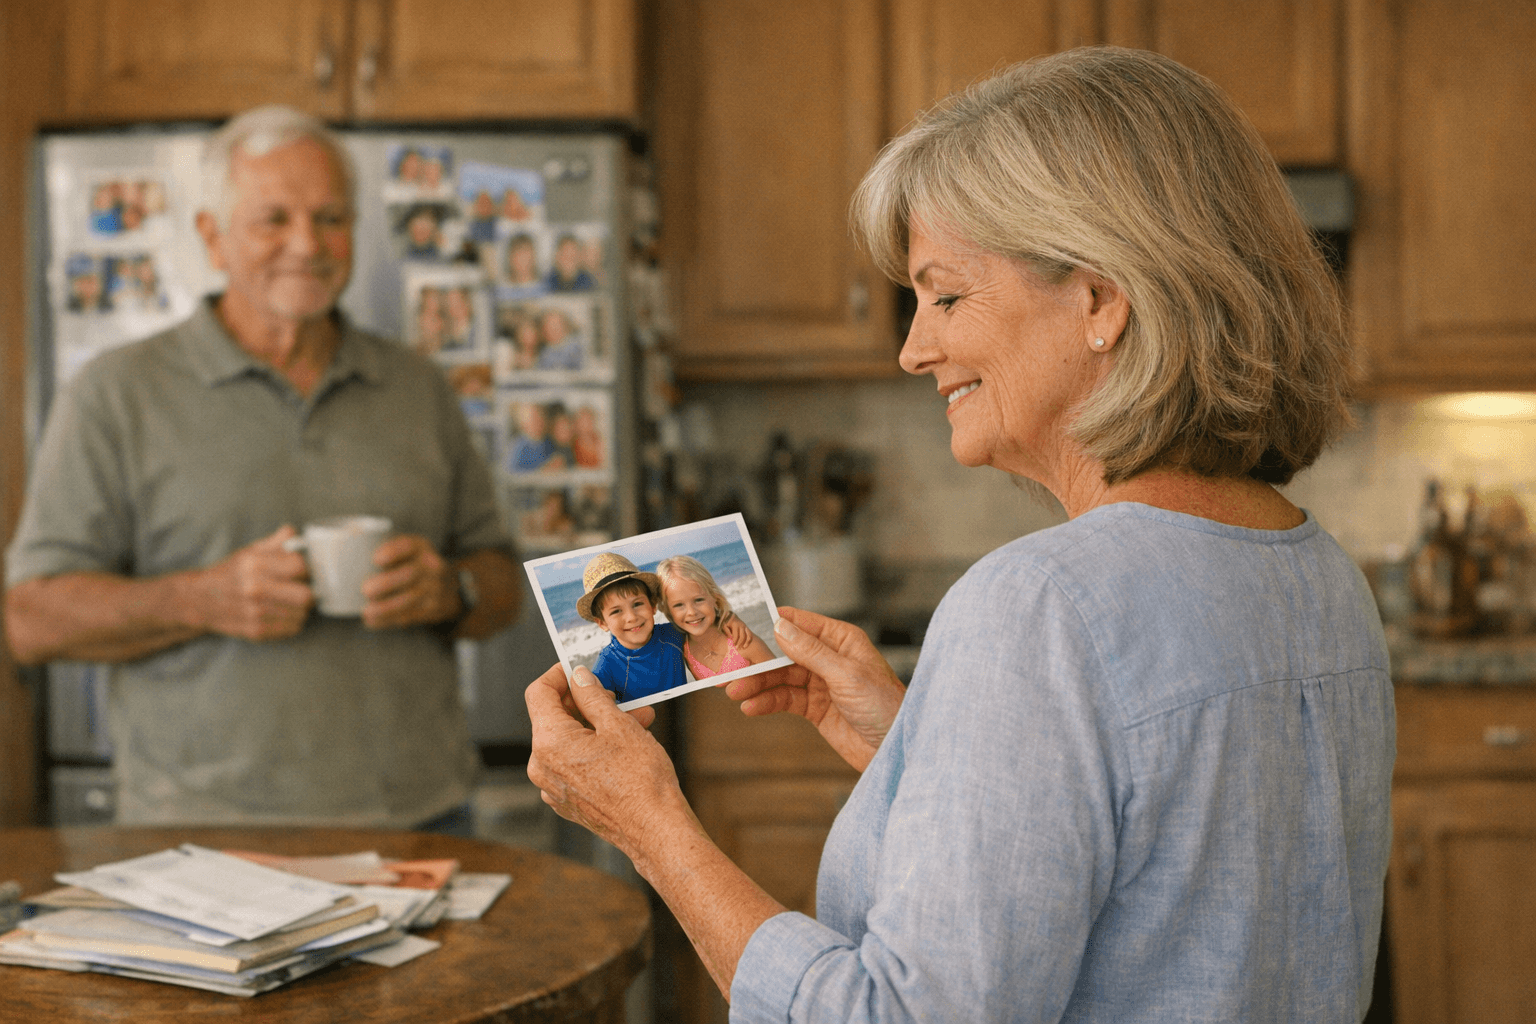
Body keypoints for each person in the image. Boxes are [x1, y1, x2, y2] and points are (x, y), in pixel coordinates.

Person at [524, 47, 1393, 1022]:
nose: (912, 346)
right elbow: (1171, 887)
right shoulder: (1322, 572)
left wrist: (650, 828)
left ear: (1100, 299)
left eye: (944, 294)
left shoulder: (1039, 606)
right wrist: (920, 747)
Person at [5, 104, 522, 830]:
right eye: (272, 219)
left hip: (421, 820)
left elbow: (501, 584)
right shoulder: (116, 392)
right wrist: (203, 598)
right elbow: (30, 620)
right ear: (212, 238)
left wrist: (450, 589)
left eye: (331, 218)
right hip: (198, 834)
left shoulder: (417, 386)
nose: (307, 245)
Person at [579, 553, 754, 705]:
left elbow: (699, 622)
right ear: (602, 623)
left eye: (637, 604)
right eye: (616, 611)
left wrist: (729, 618)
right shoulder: (607, 665)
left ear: (653, 605)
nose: (631, 617)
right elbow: (596, 704)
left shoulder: (673, 635)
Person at [655, 555, 774, 679]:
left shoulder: (742, 641)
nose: (691, 612)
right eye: (679, 605)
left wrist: (729, 615)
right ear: (667, 610)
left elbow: (782, 677)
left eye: (698, 600)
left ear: (715, 598)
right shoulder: (685, 651)